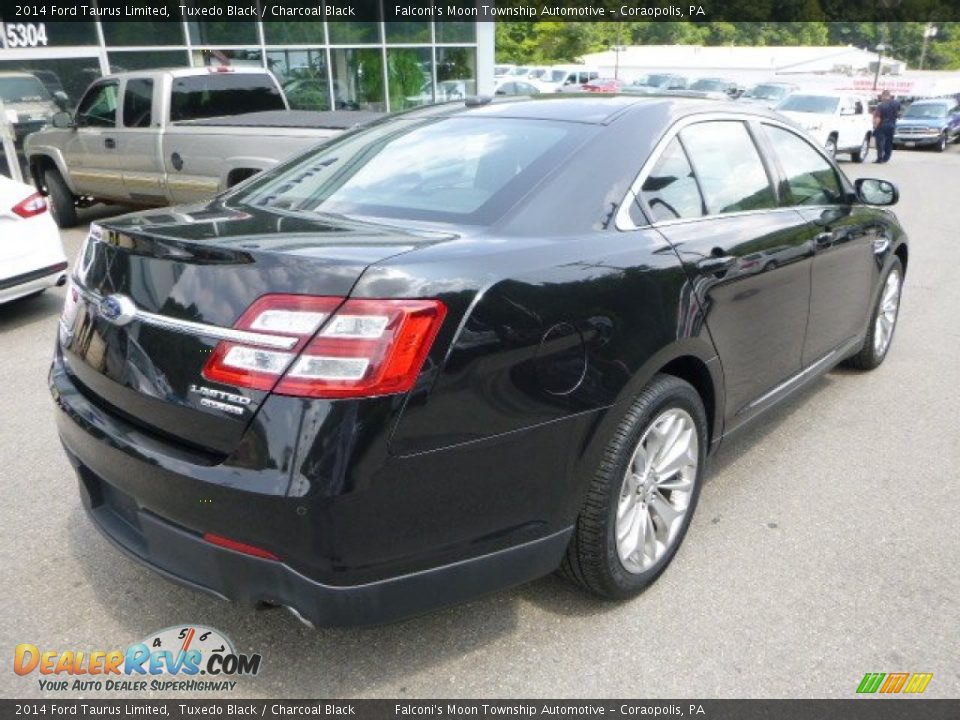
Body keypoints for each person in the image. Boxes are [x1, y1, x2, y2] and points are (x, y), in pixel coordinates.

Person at [873, 90, 901, 163]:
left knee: (880, 142)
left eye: (882, 96)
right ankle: (886, 157)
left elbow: (878, 117)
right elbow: (898, 114)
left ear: (883, 96)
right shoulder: (896, 103)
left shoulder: (881, 106)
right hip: (892, 125)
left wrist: (875, 126)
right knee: (889, 142)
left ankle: (880, 158)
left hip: (882, 125)